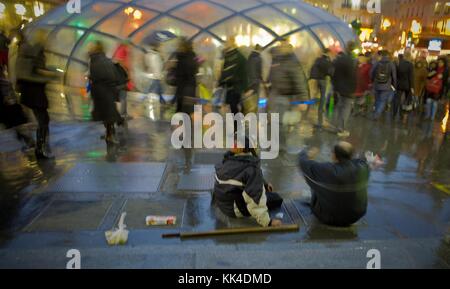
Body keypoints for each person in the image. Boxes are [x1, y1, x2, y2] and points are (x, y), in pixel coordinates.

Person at [213, 136, 283, 227]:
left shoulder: (226, 160)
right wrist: (267, 222)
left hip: (222, 205)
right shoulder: (250, 167)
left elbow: (243, 176)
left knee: (256, 188)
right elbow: (254, 199)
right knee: (276, 198)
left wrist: (265, 184)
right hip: (235, 210)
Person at [298, 142, 370, 227]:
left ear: (334, 155)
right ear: (351, 156)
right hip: (355, 217)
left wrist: (307, 153)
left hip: (328, 218)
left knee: (314, 180)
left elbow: (303, 162)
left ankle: (320, 206)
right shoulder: (363, 168)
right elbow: (360, 160)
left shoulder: (325, 170)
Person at [15, 29, 57, 159]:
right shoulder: (36, 52)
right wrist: (52, 74)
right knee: (43, 120)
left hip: (30, 90)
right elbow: (37, 71)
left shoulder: (26, 52)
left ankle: (40, 147)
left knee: (42, 119)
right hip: (35, 91)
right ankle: (41, 149)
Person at [268, 39, 309, 149]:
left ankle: (280, 144)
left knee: (280, 121)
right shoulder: (277, 59)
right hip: (275, 94)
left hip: (286, 96)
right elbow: (272, 74)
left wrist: (303, 100)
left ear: (289, 47)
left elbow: (300, 81)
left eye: (285, 44)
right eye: (281, 44)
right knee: (275, 120)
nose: (282, 46)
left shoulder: (292, 62)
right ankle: (277, 142)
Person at [88, 41, 122, 144]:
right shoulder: (104, 60)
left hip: (99, 91)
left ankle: (109, 134)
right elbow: (112, 76)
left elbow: (94, 75)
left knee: (106, 115)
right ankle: (110, 135)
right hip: (107, 91)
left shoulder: (93, 60)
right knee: (109, 115)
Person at [0, 65, 34, 149]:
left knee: (18, 126)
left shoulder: (4, 81)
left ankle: (29, 142)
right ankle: (28, 142)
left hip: (9, 107)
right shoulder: (4, 81)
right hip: (10, 107)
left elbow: (9, 93)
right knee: (18, 126)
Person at [331, 41, 357, 137]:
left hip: (339, 88)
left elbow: (334, 73)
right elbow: (353, 77)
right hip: (348, 89)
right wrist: (354, 89)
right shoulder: (351, 60)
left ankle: (337, 126)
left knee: (340, 107)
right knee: (346, 109)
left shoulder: (339, 59)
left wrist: (335, 86)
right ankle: (341, 129)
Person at [219, 36, 248, 118]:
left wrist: (246, 88)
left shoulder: (238, 56)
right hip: (231, 87)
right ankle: (237, 125)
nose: (225, 44)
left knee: (234, 107)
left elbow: (244, 73)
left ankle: (237, 126)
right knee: (233, 107)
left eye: (227, 42)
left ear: (232, 43)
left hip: (235, 87)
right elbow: (224, 71)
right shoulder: (228, 55)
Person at [310, 48, 333, 128]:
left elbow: (313, 68)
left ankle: (311, 106)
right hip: (323, 79)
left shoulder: (318, 59)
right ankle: (321, 109)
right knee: (323, 95)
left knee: (316, 93)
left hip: (316, 79)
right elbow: (329, 71)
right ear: (328, 52)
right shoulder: (327, 61)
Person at [371, 50, 397, 120]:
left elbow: (371, 73)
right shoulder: (391, 64)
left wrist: (372, 80)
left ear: (381, 55)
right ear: (388, 55)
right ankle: (377, 114)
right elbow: (394, 76)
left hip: (376, 84)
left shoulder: (377, 63)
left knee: (377, 99)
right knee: (382, 100)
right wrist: (394, 85)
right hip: (386, 85)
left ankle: (376, 112)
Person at [112, 42, 132, 118]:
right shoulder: (122, 49)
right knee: (122, 96)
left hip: (119, 79)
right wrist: (127, 73)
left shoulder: (120, 49)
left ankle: (122, 113)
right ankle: (122, 114)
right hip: (120, 80)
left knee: (122, 96)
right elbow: (120, 61)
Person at [393, 53, 414, 118]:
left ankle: (394, 113)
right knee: (405, 100)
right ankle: (401, 114)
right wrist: (412, 87)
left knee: (397, 99)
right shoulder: (410, 65)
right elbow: (411, 77)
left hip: (398, 84)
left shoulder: (398, 63)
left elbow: (395, 74)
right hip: (407, 85)